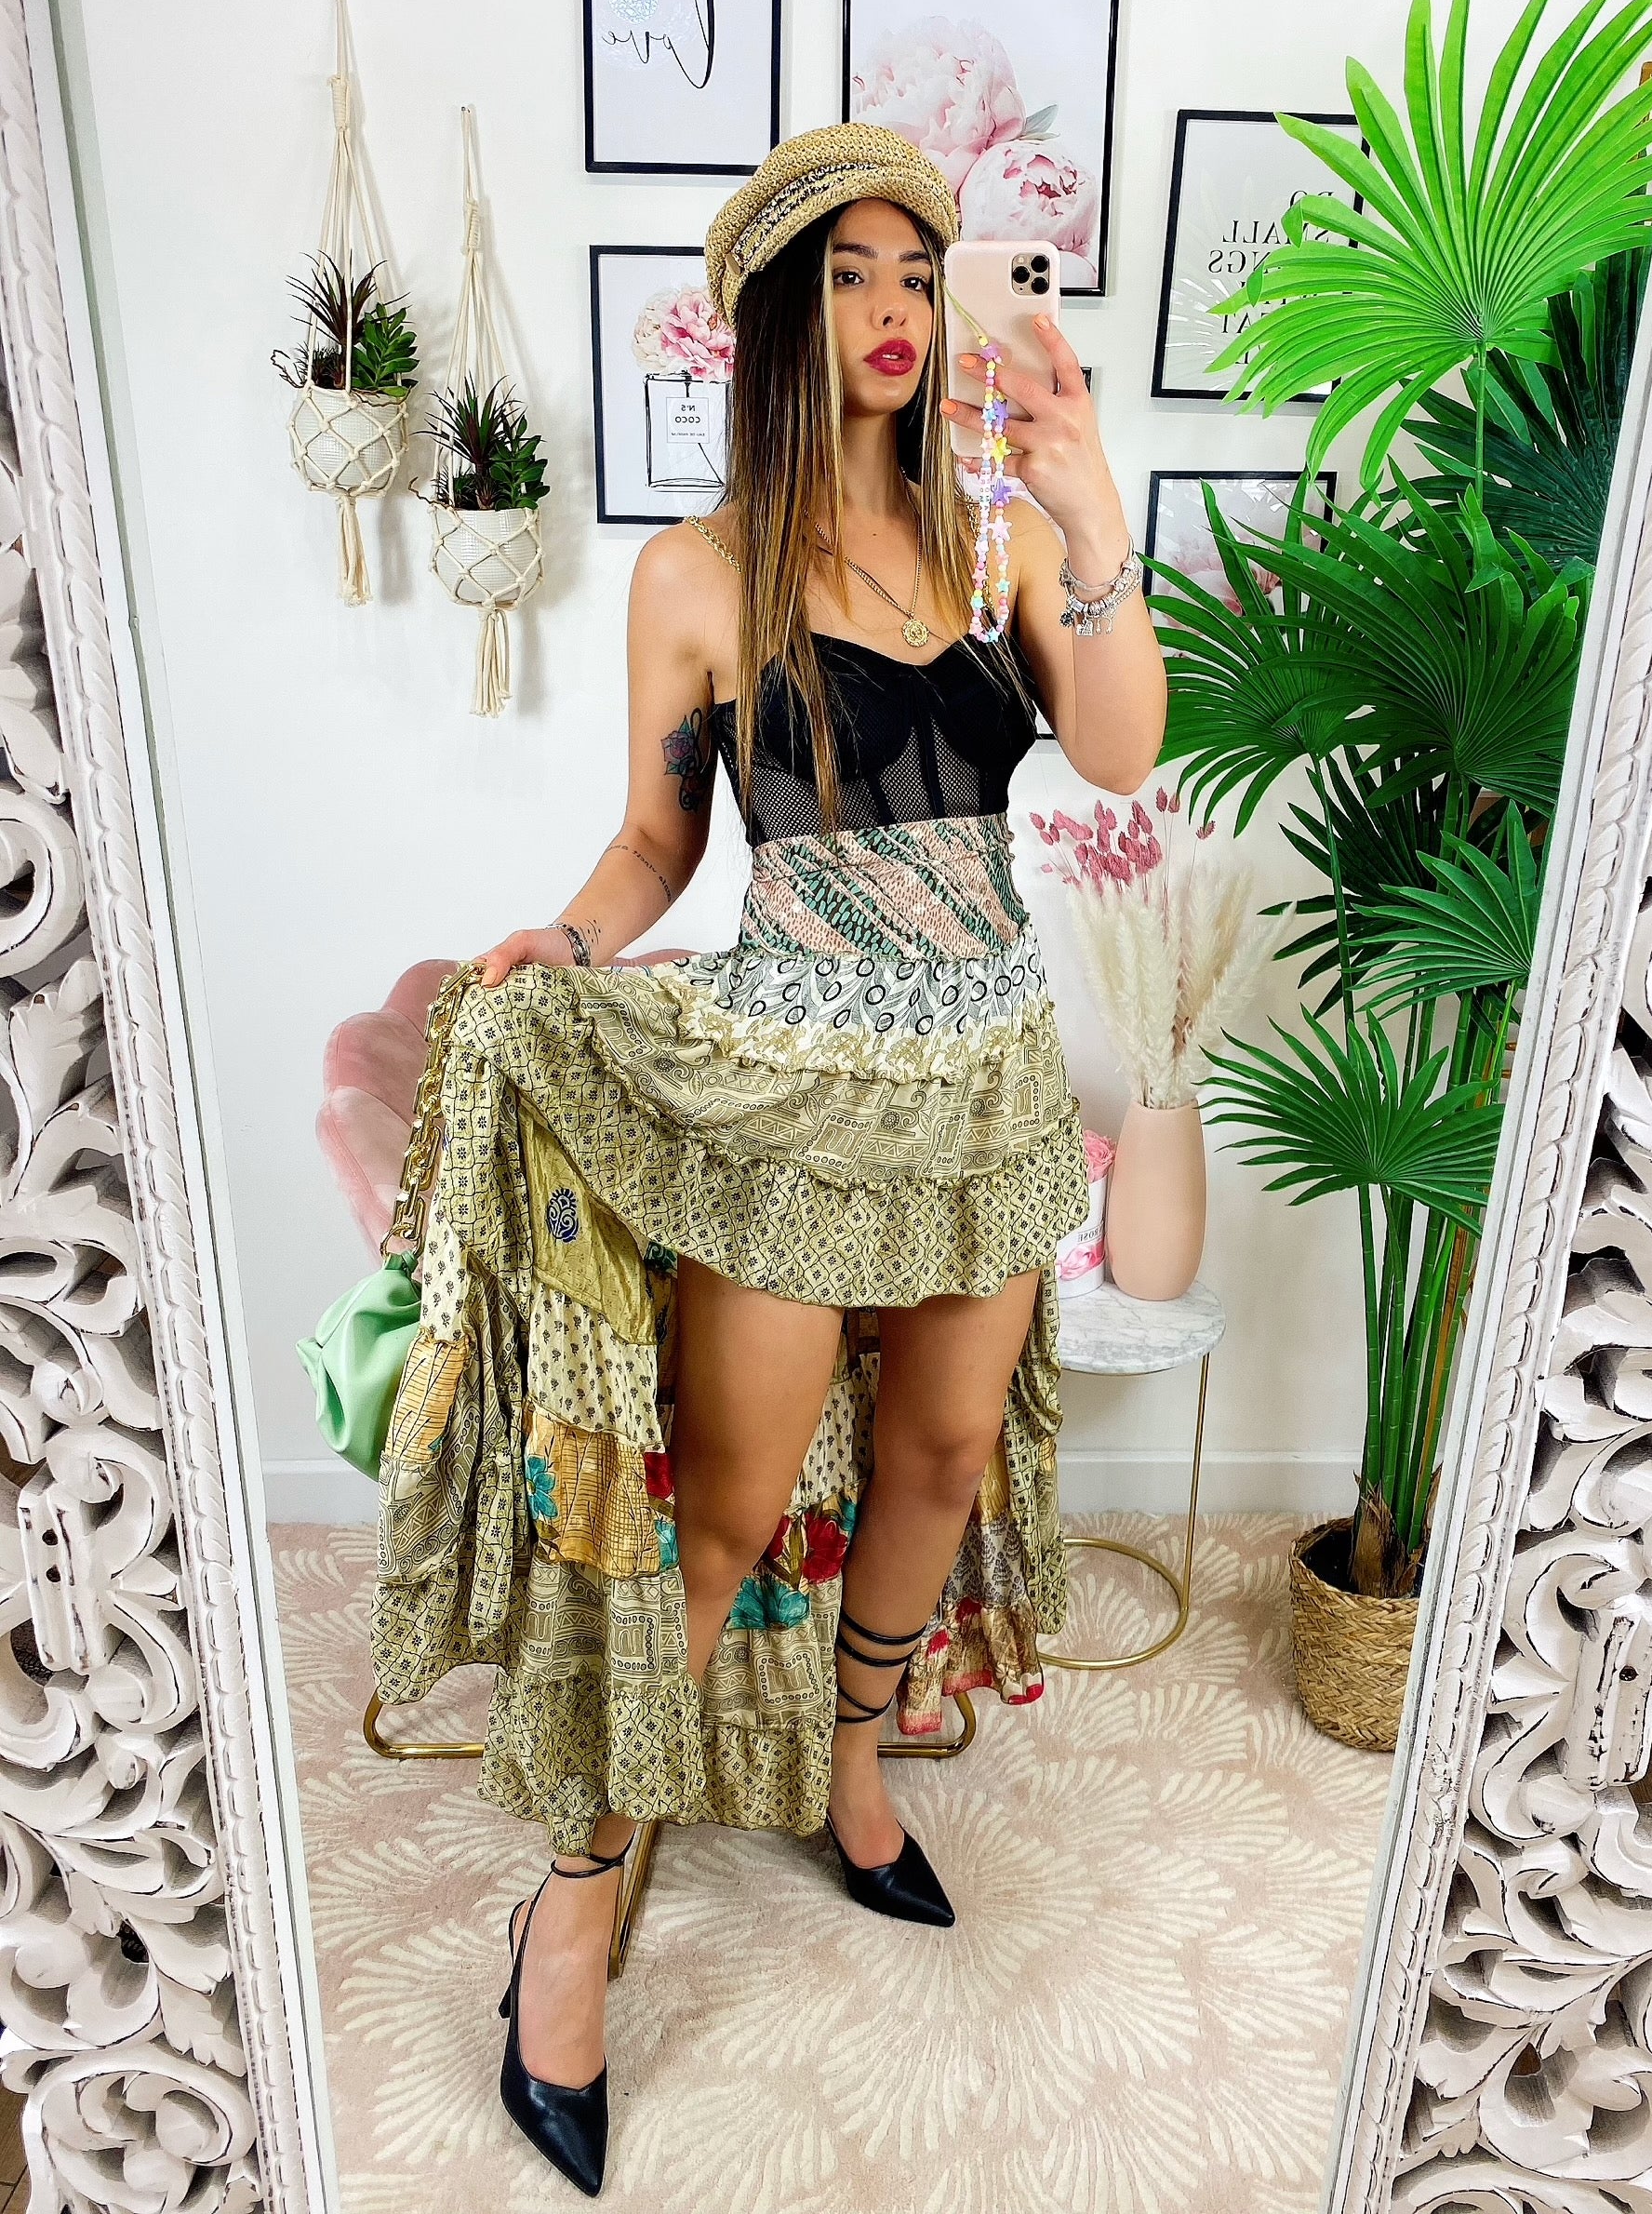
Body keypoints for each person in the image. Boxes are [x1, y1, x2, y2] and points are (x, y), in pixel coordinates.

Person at [366, 120, 1166, 2198]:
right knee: (717, 1516)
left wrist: (1088, 502)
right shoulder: (696, 571)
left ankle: (850, 1764)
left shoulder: (993, 542)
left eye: (917, 274)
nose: (895, 311)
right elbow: (660, 840)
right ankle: (570, 1910)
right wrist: (568, 943)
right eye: (850, 277)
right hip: (798, 1078)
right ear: (779, 322)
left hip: (984, 1073)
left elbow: (1117, 749)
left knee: (940, 1456)